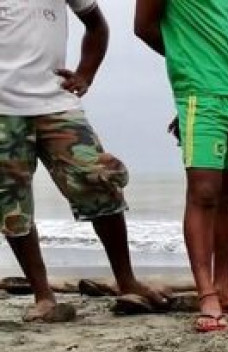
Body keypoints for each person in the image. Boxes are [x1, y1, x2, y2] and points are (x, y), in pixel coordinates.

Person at [1, 0, 167, 323]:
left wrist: (86, 73)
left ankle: (126, 280)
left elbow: (97, 25)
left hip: (55, 103)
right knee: (11, 203)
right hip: (3, 111)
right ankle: (43, 296)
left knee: (98, 178)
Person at [135, 0, 228, 333]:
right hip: (200, 92)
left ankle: (224, 287)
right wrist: (188, 61)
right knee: (203, 193)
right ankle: (206, 293)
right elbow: (144, 26)